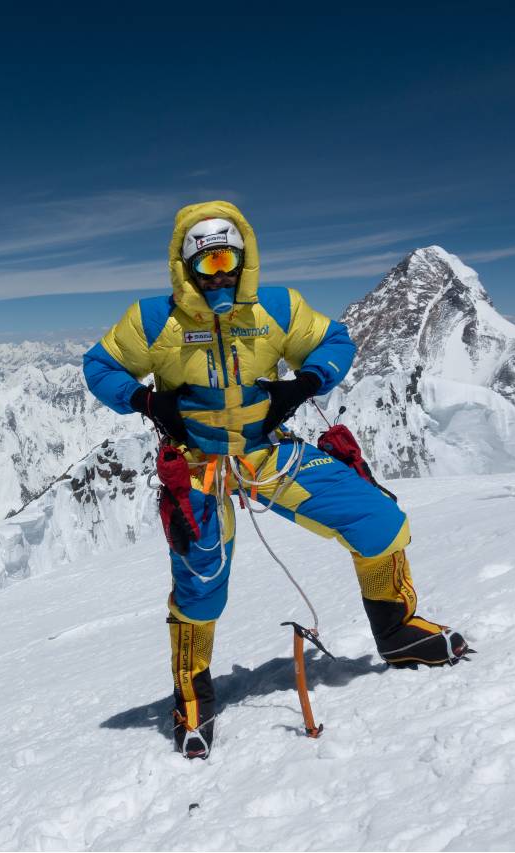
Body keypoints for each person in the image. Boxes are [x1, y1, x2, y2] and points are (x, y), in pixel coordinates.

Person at [83, 200, 468, 760]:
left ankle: (398, 630)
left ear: (246, 259)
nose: (221, 273)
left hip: (268, 455)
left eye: (229, 260)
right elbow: (101, 366)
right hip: (198, 464)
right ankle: (192, 692)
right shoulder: (152, 321)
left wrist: (304, 382)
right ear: (186, 266)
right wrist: (142, 398)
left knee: (379, 520)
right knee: (201, 579)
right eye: (207, 263)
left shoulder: (277, 309)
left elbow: (334, 342)